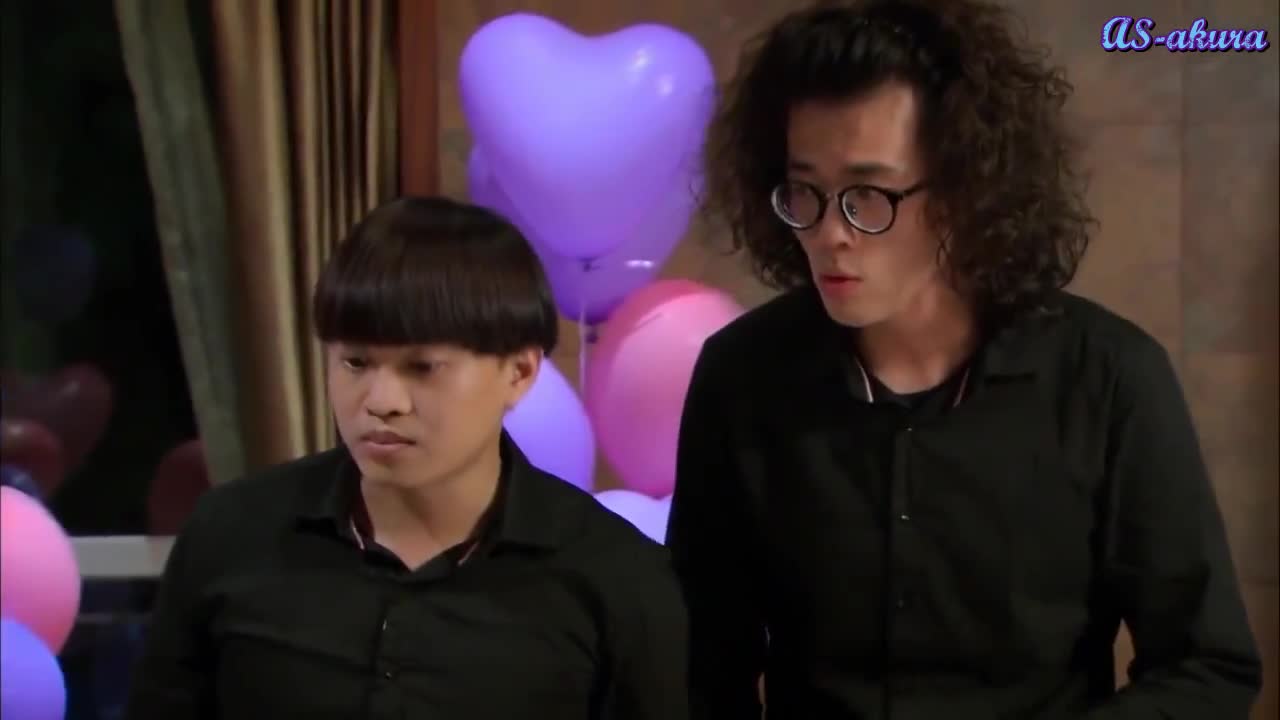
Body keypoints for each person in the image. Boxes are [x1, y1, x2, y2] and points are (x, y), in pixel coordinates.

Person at [666, 1, 1262, 718]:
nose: (828, 234)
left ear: (963, 191)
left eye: (867, 196)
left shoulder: (1108, 379)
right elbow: (701, 670)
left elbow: (1207, 666)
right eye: (805, 193)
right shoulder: (741, 377)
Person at [125, 197, 690, 720]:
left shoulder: (616, 579)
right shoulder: (232, 534)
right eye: (355, 363)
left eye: (422, 368)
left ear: (518, 372)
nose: (381, 402)